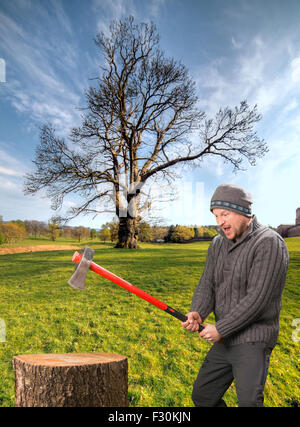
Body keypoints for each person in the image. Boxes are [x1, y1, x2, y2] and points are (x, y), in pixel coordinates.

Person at [182, 183, 289, 407]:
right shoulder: (218, 243)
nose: (219, 221)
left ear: (244, 212)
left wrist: (220, 328)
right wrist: (198, 312)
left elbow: (258, 300)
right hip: (226, 339)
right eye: (216, 215)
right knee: (203, 396)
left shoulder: (269, 243)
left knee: (249, 403)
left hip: (253, 340)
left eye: (225, 214)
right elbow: (208, 282)